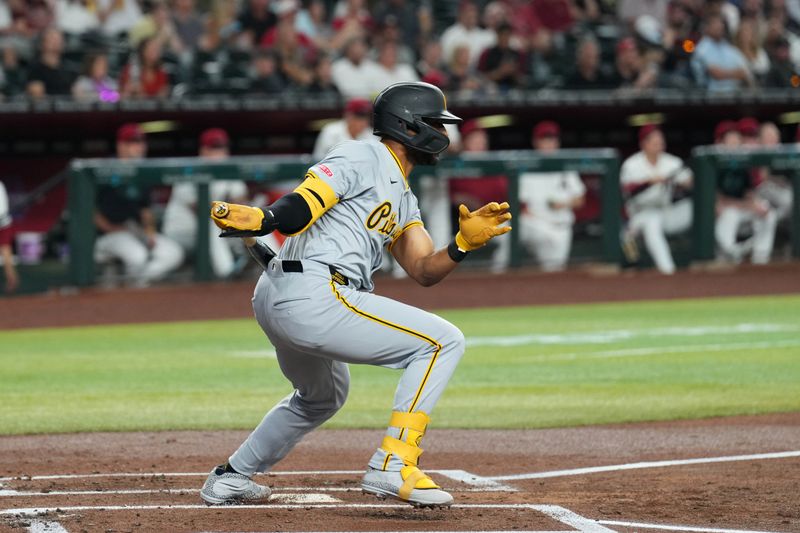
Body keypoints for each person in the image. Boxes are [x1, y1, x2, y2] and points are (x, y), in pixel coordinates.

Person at [199, 82, 511, 508]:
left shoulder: (404, 197)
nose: (444, 132)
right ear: (411, 125)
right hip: (314, 292)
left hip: (286, 292)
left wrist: (462, 245)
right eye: (437, 122)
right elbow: (303, 205)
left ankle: (231, 478)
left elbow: (423, 270)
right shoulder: (362, 154)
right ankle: (393, 461)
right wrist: (265, 217)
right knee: (443, 341)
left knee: (322, 397)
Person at [93, 124, 184, 287]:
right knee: (137, 256)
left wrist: (149, 233)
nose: (140, 147)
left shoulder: (142, 172)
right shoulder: (104, 169)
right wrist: (111, 228)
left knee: (173, 253)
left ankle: (137, 287)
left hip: (134, 231)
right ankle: (134, 293)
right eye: (133, 142)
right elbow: (90, 210)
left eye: (141, 142)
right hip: (106, 235)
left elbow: (145, 210)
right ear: (120, 145)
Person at [162, 128, 253, 279]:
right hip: (180, 235)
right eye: (215, 148)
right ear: (203, 150)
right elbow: (202, 211)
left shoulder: (229, 171)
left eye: (222, 147)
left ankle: (276, 264)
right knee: (211, 223)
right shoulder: (189, 171)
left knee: (254, 218)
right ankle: (227, 274)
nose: (220, 153)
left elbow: (242, 204)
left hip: (216, 235)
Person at [619, 125, 693, 274]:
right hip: (639, 215)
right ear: (643, 144)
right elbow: (626, 191)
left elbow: (691, 181)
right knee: (651, 221)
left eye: (661, 142)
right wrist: (650, 181)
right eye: (655, 143)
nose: (659, 146)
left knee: (695, 207)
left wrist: (681, 181)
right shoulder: (631, 164)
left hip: (666, 212)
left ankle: (712, 260)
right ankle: (667, 270)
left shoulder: (672, 162)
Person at [518, 121, 586, 271]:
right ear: (536, 142)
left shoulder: (566, 167)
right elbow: (520, 207)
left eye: (552, 139)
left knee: (553, 272)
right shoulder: (526, 167)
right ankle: (498, 272)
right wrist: (541, 223)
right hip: (536, 225)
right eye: (545, 139)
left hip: (562, 227)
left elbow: (580, 199)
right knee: (512, 228)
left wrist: (565, 203)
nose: (549, 143)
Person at [691, 13, 753, 91]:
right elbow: (717, 74)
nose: (720, 26)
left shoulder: (726, 46)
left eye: (721, 23)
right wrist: (736, 74)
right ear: (706, 27)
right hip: (709, 96)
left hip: (733, 95)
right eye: (715, 23)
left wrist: (727, 73)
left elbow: (744, 72)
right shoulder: (702, 48)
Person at [26, 27, 75, 98]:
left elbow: (76, 91)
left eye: (59, 40)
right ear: (43, 43)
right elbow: (36, 93)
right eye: (52, 39)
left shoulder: (69, 67)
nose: (56, 43)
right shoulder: (35, 67)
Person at [0, 180, 19, 293]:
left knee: (5, 249)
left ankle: (12, 281)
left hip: (3, 224)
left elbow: (2, 210)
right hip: (4, 222)